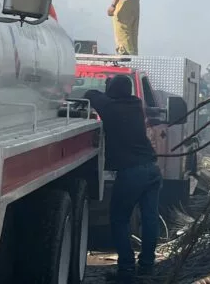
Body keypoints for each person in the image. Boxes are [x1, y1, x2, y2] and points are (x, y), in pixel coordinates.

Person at [84, 75, 162, 282]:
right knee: (149, 219)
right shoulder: (136, 105)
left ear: (112, 91)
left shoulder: (110, 108)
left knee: (119, 220)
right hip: (152, 170)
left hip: (132, 173)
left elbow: (90, 94)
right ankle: (146, 266)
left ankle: (126, 270)